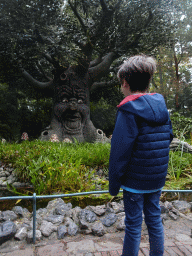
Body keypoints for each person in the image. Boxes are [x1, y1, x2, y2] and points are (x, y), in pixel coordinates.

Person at [109, 54, 173, 256]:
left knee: (134, 225)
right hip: (156, 178)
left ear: (125, 83)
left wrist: (113, 185)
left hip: (135, 181)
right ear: (148, 81)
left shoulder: (128, 110)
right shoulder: (163, 107)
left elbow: (119, 152)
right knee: (154, 219)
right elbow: (168, 137)